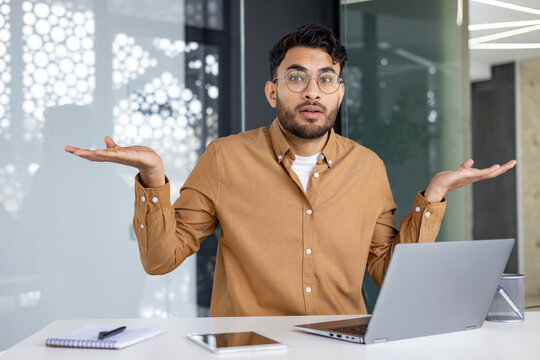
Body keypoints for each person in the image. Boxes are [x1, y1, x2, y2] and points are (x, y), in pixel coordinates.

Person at [65, 23, 516, 316]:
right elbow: (160, 259)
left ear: (339, 93)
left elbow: (390, 273)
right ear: (272, 91)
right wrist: (153, 178)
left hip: (342, 347)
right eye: (296, 77)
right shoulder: (225, 158)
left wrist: (433, 197)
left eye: (325, 79)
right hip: (250, 349)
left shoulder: (367, 167)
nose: (312, 92)